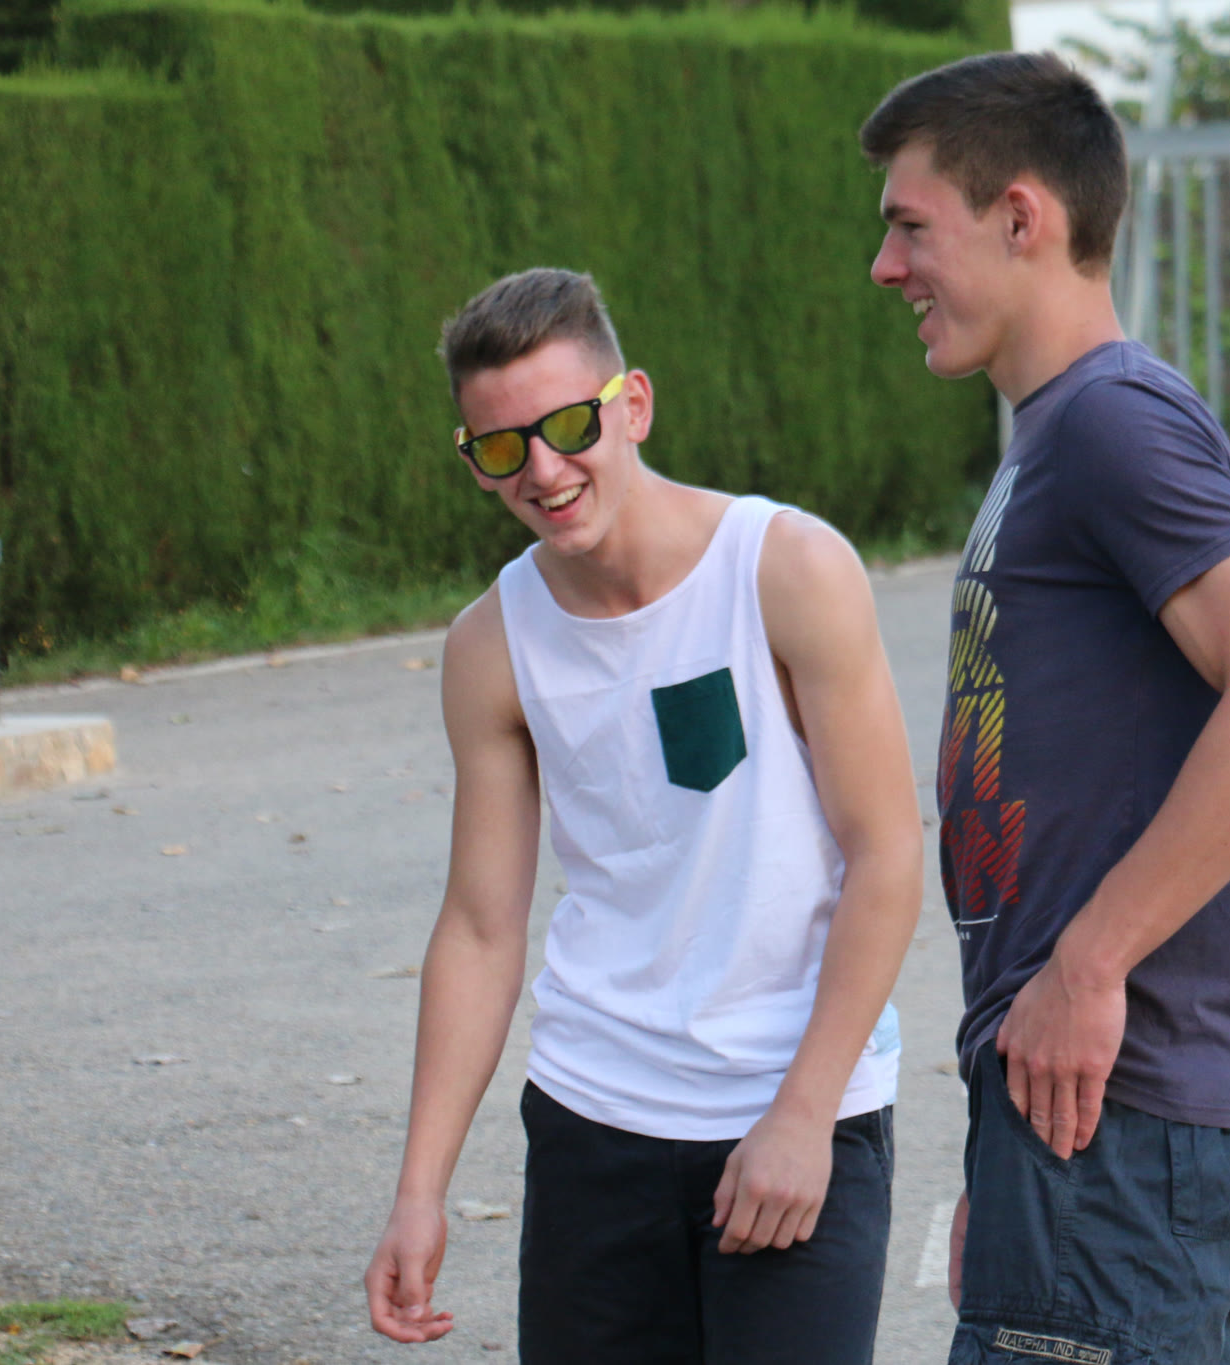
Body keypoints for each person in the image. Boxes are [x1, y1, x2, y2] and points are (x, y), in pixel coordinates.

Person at [860, 53, 1230, 1364]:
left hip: (1119, 1121)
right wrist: (1003, 1141)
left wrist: (1086, 968)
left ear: (1021, 217)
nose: (885, 267)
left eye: (911, 227)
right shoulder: (1058, 429)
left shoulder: (1110, 423)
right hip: (1076, 1128)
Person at [362, 267, 925, 1362]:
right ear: (473, 462)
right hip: (594, 1123)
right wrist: (418, 1191)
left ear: (633, 406)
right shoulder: (492, 645)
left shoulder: (785, 569)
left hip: (790, 1115)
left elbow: (887, 853)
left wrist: (803, 1114)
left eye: (569, 425)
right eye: (501, 447)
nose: (543, 469)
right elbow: (479, 928)